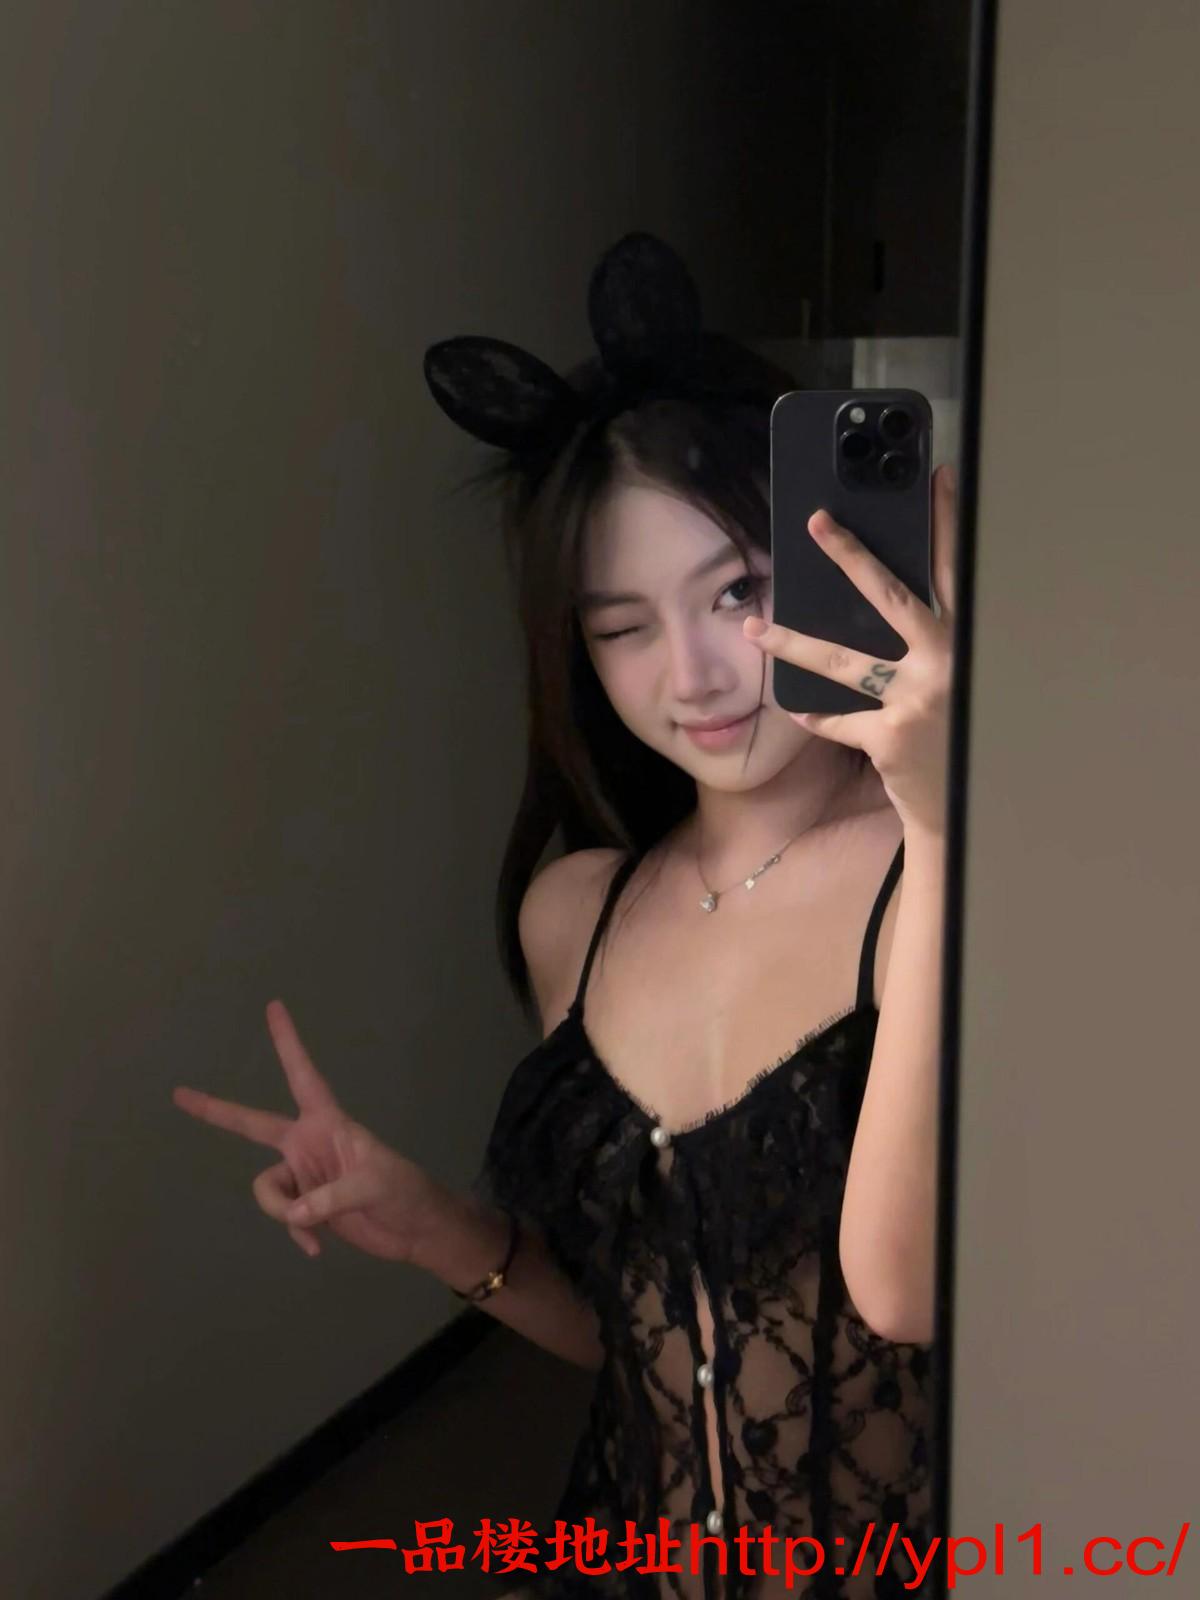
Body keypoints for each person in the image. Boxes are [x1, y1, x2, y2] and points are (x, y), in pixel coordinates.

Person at [173, 233, 955, 1600]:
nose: (691, 676)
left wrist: (945, 819)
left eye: (738, 591)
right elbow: (633, 1338)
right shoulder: (577, 913)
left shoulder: (938, 882)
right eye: (623, 626)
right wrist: (434, 1227)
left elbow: (902, 1293)